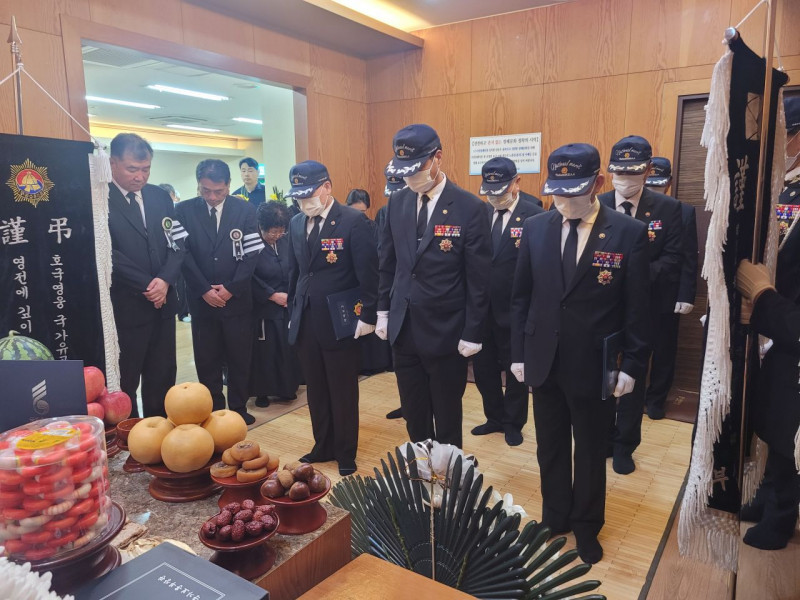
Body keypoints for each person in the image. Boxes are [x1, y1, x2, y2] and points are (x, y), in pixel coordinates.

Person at [510, 143, 649, 564]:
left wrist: (633, 364)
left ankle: (587, 526)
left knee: (589, 449)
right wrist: (518, 353)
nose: (565, 201)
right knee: (549, 445)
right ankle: (555, 517)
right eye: (557, 192)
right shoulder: (535, 227)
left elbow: (638, 308)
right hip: (543, 359)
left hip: (594, 364)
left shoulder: (627, 233)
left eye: (574, 192)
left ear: (598, 183)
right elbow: (521, 298)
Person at [377, 124, 491, 448]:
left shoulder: (470, 208)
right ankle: (422, 469)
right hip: (404, 329)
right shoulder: (397, 203)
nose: (412, 178)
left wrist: (473, 332)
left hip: (446, 331)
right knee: (414, 413)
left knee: (447, 415)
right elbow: (388, 263)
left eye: (417, 169)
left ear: (437, 157)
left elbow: (479, 279)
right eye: (405, 171)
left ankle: (450, 472)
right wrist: (382, 311)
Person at [286, 160, 378, 475]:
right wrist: (292, 312)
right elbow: (295, 272)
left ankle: (345, 452)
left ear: (327, 187)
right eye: (299, 196)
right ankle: (322, 445)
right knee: (316, 387)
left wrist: (368, 314)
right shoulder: (296, 223)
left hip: (340, 319)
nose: (304, 201)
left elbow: (368, 273)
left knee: (342, 390)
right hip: (306, 319)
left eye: (309, 194)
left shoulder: (353, 221)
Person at [597, 135, 682, 473]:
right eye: (619, 171)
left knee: (632, 376)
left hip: (644, 308)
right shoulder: (597, 203)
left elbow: (672, 259)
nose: (625, 179)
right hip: (603, 308)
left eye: (632, 172)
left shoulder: (667, 209)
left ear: (647, 171)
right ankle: (604, 438)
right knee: (603, 376)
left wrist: (633, 276)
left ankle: (625, 445)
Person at [176, 159, 262, 425]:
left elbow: (252, 254)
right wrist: (203, 289)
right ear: (198, 185)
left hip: (237, 300)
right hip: (202, 301)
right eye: (206, 191)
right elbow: (182, 254)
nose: (212, 197)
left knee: (239, 356)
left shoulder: (246, 210)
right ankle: (213, 409)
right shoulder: (183, 210)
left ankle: (238, 407)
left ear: (228, 185)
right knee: (206, 358)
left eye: (218, 191)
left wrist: (231, 288)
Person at [107, 133, 186, 419]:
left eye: (146, 169)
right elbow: (106, 251)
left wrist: (164, 280)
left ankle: (158, 430)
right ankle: (128, 436)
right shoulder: (99, 197)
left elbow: (178, 242)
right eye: (132, 169)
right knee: (126, 379)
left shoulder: (159, 196)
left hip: (163, 304)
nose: (140, 176)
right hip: (127, 306)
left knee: (162, 375)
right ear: (112, 163)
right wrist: (147, 285)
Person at [471, 157, 543, 447]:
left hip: (515, 311)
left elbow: (539, 267)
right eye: (490, 191)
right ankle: (494, 417)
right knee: (483, 369)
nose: (495, 197)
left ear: (516, 183)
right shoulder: (479, 213)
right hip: (481, 310)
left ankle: (514, 423)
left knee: (516, 371)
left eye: (501, 190)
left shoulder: (534, 215)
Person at [735, 253, 799, 551]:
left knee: (789, 439)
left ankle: (780, 517)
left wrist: (762, 295)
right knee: (777, 425)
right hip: (787, 352)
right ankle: (767, 500)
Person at [641, 157, 698, 418]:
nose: (654, 189)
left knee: (664, 351)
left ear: (669, 183)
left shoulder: (682, 211)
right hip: (636, 293)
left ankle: (656, 400)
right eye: (650, 184)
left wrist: (686, 294)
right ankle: (632, 396)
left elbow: (688, 256)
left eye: (659, 184)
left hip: (667, 293)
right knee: (634, 347)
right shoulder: (630, 207)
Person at [250, 201, 300, 407]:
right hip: (263, 306)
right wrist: (271, 295)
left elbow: (295, 267)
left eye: (281, 231)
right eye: (273, 231)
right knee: (265, 351)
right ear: (261, 227)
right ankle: (262, 392)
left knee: (286, 348)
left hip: (287, 303)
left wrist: (290, 294)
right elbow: (249, 276)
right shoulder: (252, 243)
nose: (277, 235)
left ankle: (286, 388)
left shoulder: (286, 241)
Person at [346, 188, 392, 376]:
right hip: (349, 284)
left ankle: (374, 363)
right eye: (355, 211)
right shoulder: (342, 226)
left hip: (370, 280)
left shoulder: (373, 227)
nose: (359, 216)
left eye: (363, 212)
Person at [160, 183, 191, 323]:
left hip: (181, 253)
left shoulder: (178, 210)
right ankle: (177, 312)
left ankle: (183, 312)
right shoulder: (157, 212)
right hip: (165, 256)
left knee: (182, 284)